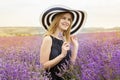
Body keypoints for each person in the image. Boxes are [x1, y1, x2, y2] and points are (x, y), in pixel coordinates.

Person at [40, 6, 87, 80]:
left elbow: (70, 66)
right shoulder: (48, 39)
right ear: (57, 20)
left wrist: (75, 46)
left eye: (69, 19)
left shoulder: (64, 40)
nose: (67, 22)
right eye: (63, 18)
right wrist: (62, 55)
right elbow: (43, 66)